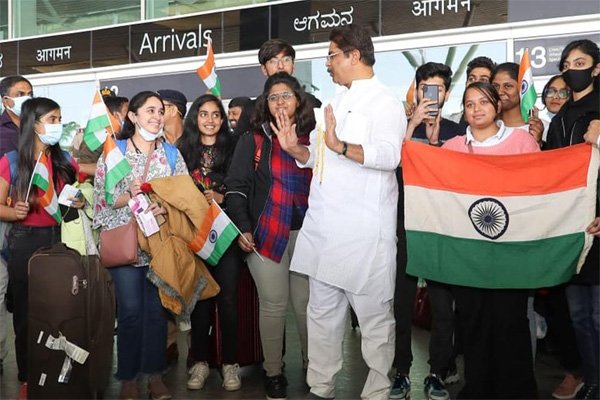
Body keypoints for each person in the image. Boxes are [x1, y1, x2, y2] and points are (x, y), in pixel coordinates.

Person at [275, 25, 405, 400]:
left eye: (332, 56)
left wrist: (342, 146)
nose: (328, 64)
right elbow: (320, 157)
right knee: (321, 314)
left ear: (354, 55)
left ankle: (378, 390)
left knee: (374, 319)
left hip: (364, 233)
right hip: (324, 228)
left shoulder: (385, 102)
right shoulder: (334, 100)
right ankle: (321, 387)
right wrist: (296, 150)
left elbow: (390, 156)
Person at [414, 81, 540, 398]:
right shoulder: (453, 147)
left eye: (483, 102)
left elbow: (540, 191)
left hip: (511, 256)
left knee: (510, 324)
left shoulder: (522, 142)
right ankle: (478, 388)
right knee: (473, 324)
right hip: (467, 258)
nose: (476, 109)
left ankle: (516, 392)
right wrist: (430, 143)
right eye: (469, 104)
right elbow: (436, 191)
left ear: (497, 105)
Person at [93, 91, 188, 400]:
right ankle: (129, 378)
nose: (157, 116)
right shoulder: (114, 152)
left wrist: (164, 207)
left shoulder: (171, 155)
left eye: (160, 111)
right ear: (132, 116)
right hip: (125, 245)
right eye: (150, 110)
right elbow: (102, 200)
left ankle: (155, 376)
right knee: (131, 312)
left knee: (157, 313)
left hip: (159, 244)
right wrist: (129, 197)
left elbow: (184, 197)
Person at [225, 72, 314, 400]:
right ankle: (273, 372)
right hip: (265, 234)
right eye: (273, 97)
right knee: (274, 305)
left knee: (306, 306)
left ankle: (313, 367)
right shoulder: (253, 139)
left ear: (298, 100)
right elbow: (236, 187)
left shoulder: (314, 137)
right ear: (265, 103)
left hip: (308, 234)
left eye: (286, 95)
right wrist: (243, 227)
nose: (279, 102)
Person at [0, 97, 82, 399]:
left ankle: (59, 374)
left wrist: (79, 201)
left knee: (61, 311)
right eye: (52, 119)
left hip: (60, 240)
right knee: (25, 314)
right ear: (34, 125)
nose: (57, 125)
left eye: (59, 119)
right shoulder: (11, 161)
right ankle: (27, 377)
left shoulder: (65, 160)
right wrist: (13, 212)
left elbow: (75, 196)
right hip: (25, 242)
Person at [392, 61, 460, 400]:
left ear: (447, 93)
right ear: (417, 90)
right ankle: (401, 372)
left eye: (438, 88)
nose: (431, 94)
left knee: (442, 308)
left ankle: (437, 372)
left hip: (442, 231)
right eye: (425, 88)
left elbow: (456, 179)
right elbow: (393, 165)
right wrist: (412, 126)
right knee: (401, 306)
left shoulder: (457, 131)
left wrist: (434, 145)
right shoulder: (399, 126)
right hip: (405, 227)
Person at [544, 39, 600, 400]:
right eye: (567, 64)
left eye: (580, 63)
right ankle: (591, 381)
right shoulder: (560, 118)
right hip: (572, 229)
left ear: (596, 68)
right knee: (579, 317)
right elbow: (552, 172)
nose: (572, 69)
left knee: (598, 316)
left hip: (598, 224)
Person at [177, 94, 243, 392]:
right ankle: (200, 362)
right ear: (195, 117)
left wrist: (221, 196)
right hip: (194, 235)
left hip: (225, 234)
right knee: (200, 301)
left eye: (216, 114)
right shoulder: (182, 149)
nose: (210, 120)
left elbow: (243, 184)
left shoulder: (234, 146)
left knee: (228, 301)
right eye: (204, 114)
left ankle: (230, 364)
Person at [258, 39, 322, 108]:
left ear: (293, 66)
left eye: (286, 60)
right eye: (273, 61)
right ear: (264, 69)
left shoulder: (311, 103)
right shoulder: (254, 108)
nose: (280, 66)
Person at [492, 62, 546, 143]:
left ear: (523, 89)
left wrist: (538, 142)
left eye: (508, 86)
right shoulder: (486, 128)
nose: (500, 92)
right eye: (495, 86)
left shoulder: (541, 128)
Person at [75, 95, 129, 176]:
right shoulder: (97, 138)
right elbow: (83, 167)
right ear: (116, 115)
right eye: (127, 112)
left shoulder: (126, 136)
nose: (130, 115)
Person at [447, 56, 496, 130]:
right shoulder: (450, 121)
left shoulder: (500, 126)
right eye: (471, 79)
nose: (475, 83)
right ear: (466, 83)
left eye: (483, 80)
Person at [0, 76, 33, 157]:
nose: (27, 99)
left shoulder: (39, 126)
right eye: (20, 94)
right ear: (5, 100)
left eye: (30, 94)